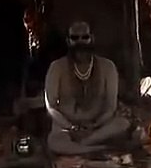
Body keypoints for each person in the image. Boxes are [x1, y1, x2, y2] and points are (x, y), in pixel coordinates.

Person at [44, 21, 130, 155]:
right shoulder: (56, 67)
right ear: (68, 41)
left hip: (97, 127)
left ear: (92, 39)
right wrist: (71, 127)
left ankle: (82, 146)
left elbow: (110, 106)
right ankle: (96, 149)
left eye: (85, 37)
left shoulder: (108, 66)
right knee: (55, 141)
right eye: (75, 38)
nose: (80, 42)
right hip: (66, 127)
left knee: (122, 124)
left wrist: (94, 126)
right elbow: (51, 107)